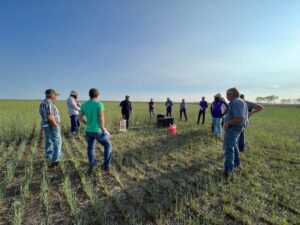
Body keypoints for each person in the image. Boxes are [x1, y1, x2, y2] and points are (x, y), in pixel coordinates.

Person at [80, 88, 112, 173]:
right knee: (107, 145)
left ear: (89, 95)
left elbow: (79, 118)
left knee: (90, 147)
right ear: (97, 95)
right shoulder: (99, 104)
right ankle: (106, 165)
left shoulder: (84, 105)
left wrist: (87, 123)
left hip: (88, 131)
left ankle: (92, 165)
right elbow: (101, 118)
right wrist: (103, 128)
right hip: (97, 130)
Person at [223, 88, 249, 178]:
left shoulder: (236, 102)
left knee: (228, 148)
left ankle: (228, 170)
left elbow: (240, 118)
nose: (226, 96)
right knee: (234, 145)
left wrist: (227, 123)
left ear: (233, 94)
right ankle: (237, 164)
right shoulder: (240, 101)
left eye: (227, 94)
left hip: (233, 128)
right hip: (237, 128)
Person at [39, 89, 62, 167]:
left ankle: (48, 158)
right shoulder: (49, 103)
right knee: (57, 142)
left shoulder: (43, 102)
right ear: (51, 94)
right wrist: (55, 125)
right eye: (56, 95)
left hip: (46, 124)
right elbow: (49, 116)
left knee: (49, 141)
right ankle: (56, 161)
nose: (56, 96)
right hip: (51, 124)